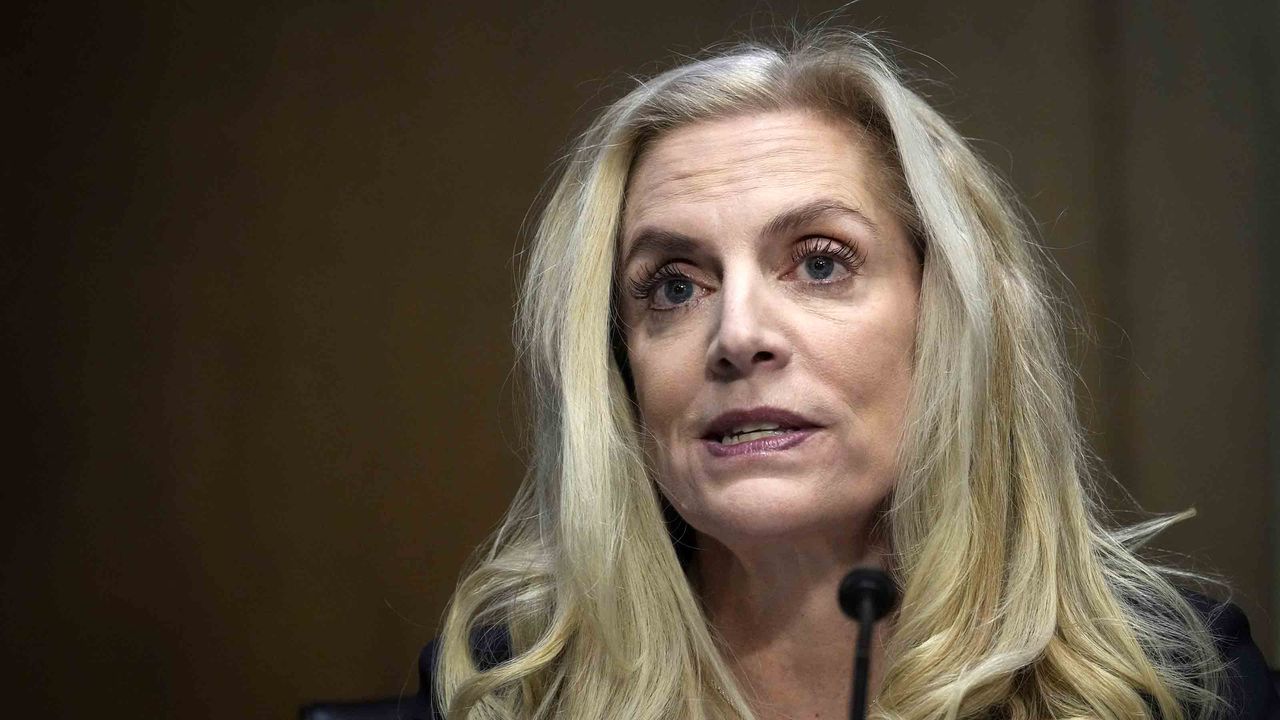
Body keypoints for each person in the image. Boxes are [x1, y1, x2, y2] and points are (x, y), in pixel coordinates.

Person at [416, 30, 1278, 720]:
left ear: (947, 322)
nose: (738, 334)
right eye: (674, 287)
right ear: (619, 368)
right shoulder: (506, 689)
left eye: (820, 264)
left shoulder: (1175, 684)